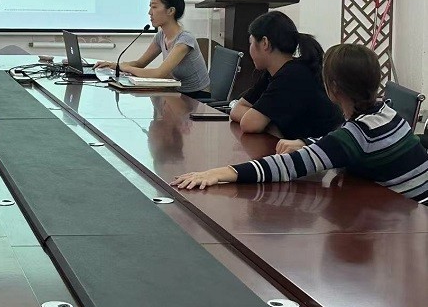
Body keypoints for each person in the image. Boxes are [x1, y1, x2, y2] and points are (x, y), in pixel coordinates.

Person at [171, 44, 428, 206]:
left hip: (412, 219)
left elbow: (287, 167)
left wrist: (218, 173)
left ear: (332, 88)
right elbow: (341, 143)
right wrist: (306, 143)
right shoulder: (385, 112)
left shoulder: (358, 134)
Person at [228, 11, 342, 139]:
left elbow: (249, 124)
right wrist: (272, 126)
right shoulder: (275, 72)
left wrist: (263, 123)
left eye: (251, 42)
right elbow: (237, 110)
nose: (250, 49)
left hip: (321, 149)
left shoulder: (293, 75)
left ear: (265, 43)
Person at [95, 0, 211, 99]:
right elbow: (140, 63)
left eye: (154, 7)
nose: (150, 12)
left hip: (198, 98)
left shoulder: (185, 40)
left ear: (170, 11)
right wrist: (115, 66)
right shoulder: (161, 36)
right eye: (150, 7)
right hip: (177, 94)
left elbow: (159, 73)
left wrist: (126, 68)